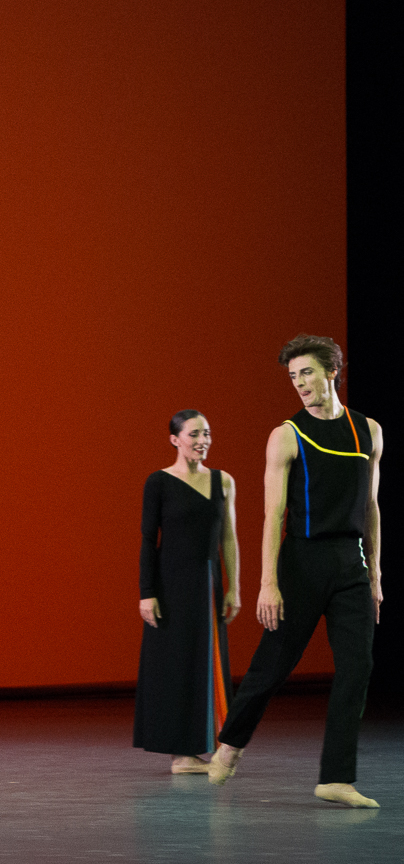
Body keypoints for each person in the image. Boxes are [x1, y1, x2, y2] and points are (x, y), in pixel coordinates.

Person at [209, 335, 383, 808]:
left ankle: (336, 779)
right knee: (272, 667)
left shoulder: (368, 431)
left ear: (332, 371)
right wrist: (268, 583)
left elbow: (370, 507)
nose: (299, 383)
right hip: (302, 562)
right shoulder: (287, 435)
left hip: (350, 563)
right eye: (293, 376)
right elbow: (274, 514)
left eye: (306, 372)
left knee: (358, 667)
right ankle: (230, 745)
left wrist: (375, 576)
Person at [134, 410, 241, 773]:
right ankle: (181, 754)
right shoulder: (159, 482)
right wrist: (147, 592)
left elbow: (229, 538)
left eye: (206, 433)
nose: (202, 440)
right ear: (175, 439)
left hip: (207, 586)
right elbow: (148, 540)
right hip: (170, 587)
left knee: (205, 663)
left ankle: (199, 748)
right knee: (175, 665)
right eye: (194, 434)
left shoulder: (223, 481)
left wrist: (234, 588)